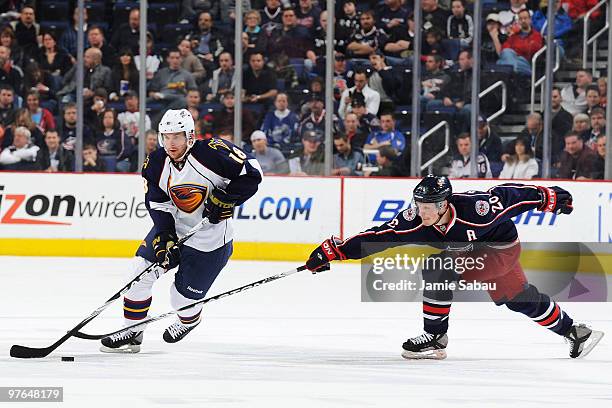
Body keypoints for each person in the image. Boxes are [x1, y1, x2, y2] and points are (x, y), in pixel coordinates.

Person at [304, 174, 604, 359]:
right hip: (473, 254)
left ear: (444, 204)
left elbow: (510, 197)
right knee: (518, 298)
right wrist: (335, 251)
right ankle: (576, 332)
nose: (420, 212)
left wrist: (548, 197)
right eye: (418, 204)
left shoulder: (477, 211)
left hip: (500, 250)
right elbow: (379, 235)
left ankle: (435, 337)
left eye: (427, 207)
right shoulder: (415, 221)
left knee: (437, 268)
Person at [100, 108, 262, 352]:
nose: (171, 143)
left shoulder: (213, 152)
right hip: (174, 229)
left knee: (182, 299)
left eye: (176, 136)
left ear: (190, 136)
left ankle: (190, 319)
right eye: (166, 136)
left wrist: (227, 199)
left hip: (211, 239)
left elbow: (252, 173)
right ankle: (132, 331)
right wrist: (164, 237)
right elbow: (157, 203)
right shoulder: (155, 163)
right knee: (137, 276)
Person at [497, 9, 543, 76]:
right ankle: (511, 75)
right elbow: (503, 50)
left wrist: (515, 50)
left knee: (503, 62)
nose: (523, 21)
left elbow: (533, 49)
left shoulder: (536, 35)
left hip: (527, 63)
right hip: (514, 61)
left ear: (530, 19)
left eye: (525, 18)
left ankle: (509, 75)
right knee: (504, 57)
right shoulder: (513, 36)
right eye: (521, 19)